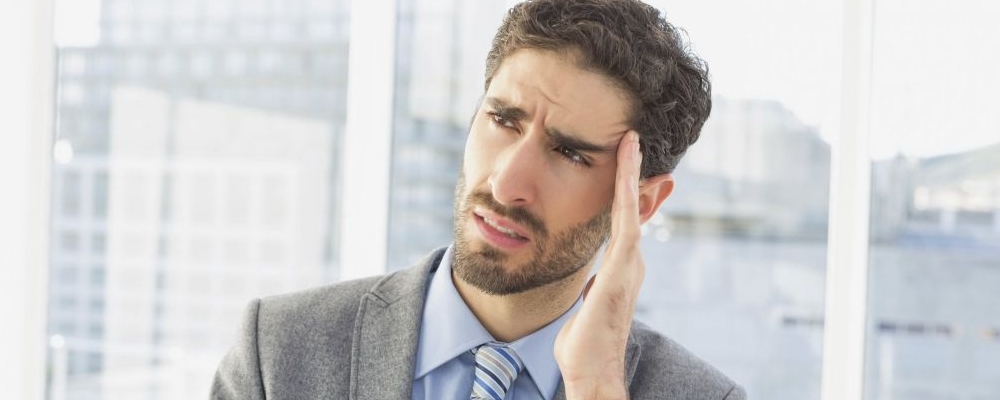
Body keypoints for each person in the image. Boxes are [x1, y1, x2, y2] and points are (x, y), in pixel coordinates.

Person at [211, 0, 746, 398]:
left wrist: (596, 388)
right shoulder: (278, 353)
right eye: (503, 120)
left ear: (643, 202)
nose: (506, 183)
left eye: (569, 153)